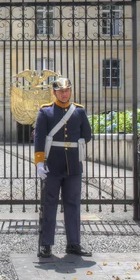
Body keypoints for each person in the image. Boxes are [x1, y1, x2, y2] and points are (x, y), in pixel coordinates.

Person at [33, 77, 92, 258]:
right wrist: (40, 162)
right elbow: (39, 137)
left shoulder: (79, 112)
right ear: (54, 93)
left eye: (67, 90)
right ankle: (46, 244)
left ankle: (73, 243)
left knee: (73, 205)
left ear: (70, 91)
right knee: (49, 204)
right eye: (61, 91)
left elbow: (87, 134)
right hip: (52, 165)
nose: (64, 94)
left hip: (73, 166)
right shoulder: (46, 112)